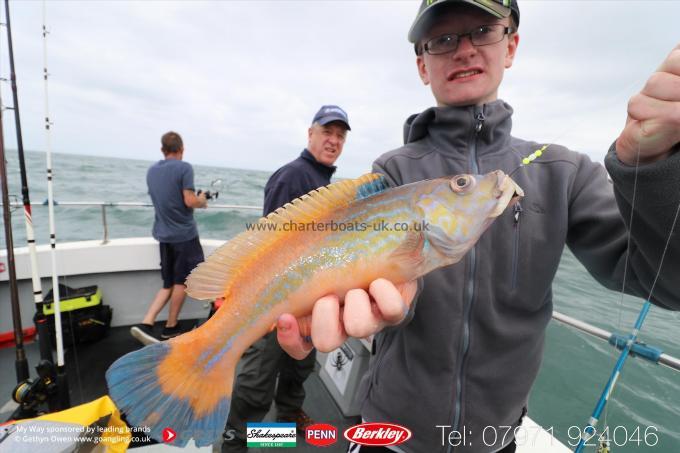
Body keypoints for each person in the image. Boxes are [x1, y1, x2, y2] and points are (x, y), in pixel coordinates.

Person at [276, 2, 680, 453]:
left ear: (511, 45)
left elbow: (668, 284)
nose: (464, 49)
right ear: (422, 65)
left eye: (483, 30)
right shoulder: (391, 170)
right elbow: (374, 281)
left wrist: (654, 170)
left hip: (494, 439)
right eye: (444, 39)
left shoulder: (565, 172)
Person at [221, 106, 351, 452]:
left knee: (299, 366)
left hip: (308, 297)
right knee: (257, 379)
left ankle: (287, 420)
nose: (334, 141)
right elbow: (270, 245)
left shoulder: (323, 181)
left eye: (340, 135)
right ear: (311, 133)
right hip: (276, 298)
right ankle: (235, 442)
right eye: (328, 132)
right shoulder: (292, 176)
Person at [131, 131, 208, 345]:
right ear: (181, 150)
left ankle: (146, 322)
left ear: (163, 150)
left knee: (168, 283)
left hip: (163, 235)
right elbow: (189, 200)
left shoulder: (152, 171)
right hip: (184, 236)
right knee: (182, 281)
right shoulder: (185, 168)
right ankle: (170, 327)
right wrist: (202, 200)